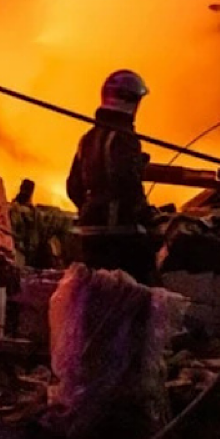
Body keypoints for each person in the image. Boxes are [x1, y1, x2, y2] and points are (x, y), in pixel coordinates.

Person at [66, 69, 156, 284]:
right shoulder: (124, 138)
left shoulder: (88, 138)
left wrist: (90, 210)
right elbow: (128, 185)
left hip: (88, 235)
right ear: (129, 101)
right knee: (136, 290)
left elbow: (73, 186)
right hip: (119, 235)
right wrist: (148, 216)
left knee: (98, 292)